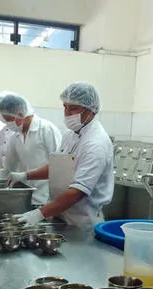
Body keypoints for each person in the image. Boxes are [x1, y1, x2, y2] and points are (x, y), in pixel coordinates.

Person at [8, 82, 114, 228]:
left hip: (82, 223)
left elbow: (77, 192)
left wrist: (39, 213)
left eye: (74, 108)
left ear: (91, 110)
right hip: (61, 215)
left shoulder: (96, 143)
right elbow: (57, 167)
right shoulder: (70, 135)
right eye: (65, 107)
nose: (67, 112)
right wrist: (25, 175)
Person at [0, 93, 62, 205]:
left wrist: (24, 175)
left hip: (48, 199)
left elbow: (59, 166)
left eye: (8, 120)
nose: (7, 125)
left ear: (20, 115)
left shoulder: (46, 130)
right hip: (27, 198)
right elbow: (8, 170)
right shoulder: (15, 136)